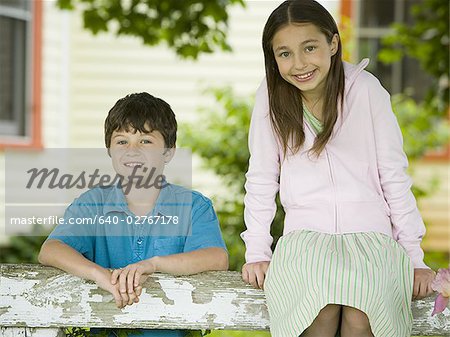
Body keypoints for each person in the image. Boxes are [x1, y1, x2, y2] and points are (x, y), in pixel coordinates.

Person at [240, 1, 436, 337]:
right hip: (304, 240)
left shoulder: (367, 90)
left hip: (372, 238)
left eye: (310, 47)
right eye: (284, 53)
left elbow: (394, 177)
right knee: (319, 309)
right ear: (273, 58)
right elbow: (261, 178)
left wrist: (414, 258)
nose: (299, 63)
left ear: (333, 43)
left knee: (364, 313)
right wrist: (258, 251)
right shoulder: (270, 98)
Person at [39, 92, 229, 337]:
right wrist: (100, 274)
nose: (132, 151)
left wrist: (154, 264)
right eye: (122, 141)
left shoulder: (193, 206)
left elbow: (216, 257)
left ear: (168, 152)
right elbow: (51, 249)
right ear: (110, 150)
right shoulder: (93, 203)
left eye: (145, 141)